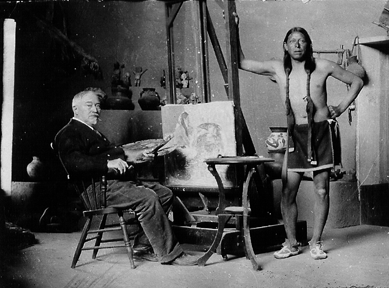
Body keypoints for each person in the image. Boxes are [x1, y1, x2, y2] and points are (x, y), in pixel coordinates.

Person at [235, 14, 364, 260]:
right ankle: (292, 243)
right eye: (292, 41)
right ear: (285, 46)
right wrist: (235, 27)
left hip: (320, 135)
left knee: (322, 191)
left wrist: (343, 106)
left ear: (308, 45)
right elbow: (241, 62)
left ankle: (315, 242)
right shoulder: (277, 68)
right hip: (296, 135)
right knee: (287, 192)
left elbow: (356, 80)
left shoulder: (324, 66)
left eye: (301, 40)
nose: (296, 45)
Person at [54, 87, 198, 266]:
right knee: (147, 198)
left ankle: (143, 246)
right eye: (89, 105)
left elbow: (114, 155)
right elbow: (74, 164)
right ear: (76, 108)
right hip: (98, 190)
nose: (96, 109)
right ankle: (171, 254)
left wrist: (138, 157)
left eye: (98, 105)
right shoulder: (69, 132)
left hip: (114, 183)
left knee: (164, 193)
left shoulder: (92, 132)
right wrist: (107, 164)